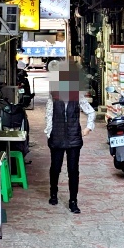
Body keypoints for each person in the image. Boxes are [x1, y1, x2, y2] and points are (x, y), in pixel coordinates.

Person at [44, 63, 96, 214]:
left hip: (74, 139)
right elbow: (48, 116)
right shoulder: (53, 96)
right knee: (55, 168)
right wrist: (49, 133)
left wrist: (88, 128)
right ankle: (53, 193)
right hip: (57, 138)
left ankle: (73, 201)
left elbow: (91, 112)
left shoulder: (77, 97)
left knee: (73, 170)